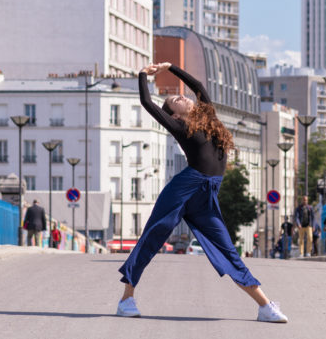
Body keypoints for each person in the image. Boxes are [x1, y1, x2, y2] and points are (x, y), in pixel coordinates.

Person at [116, 62, 288, 323]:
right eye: (176, 100)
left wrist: (170, 67)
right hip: (184, 188)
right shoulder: (180, 127)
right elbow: (147, 103)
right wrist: (142, 74)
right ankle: (126, 299)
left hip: (207, 194)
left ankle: (265, 306)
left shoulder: (209, 119)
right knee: (153, 236)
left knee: (227, 249)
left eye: (180, 95)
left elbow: (198, 87)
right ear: (174, 115)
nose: (183, 96)